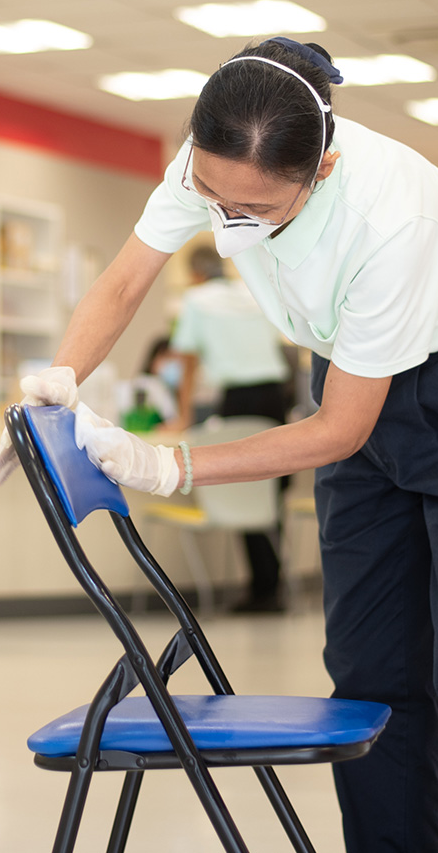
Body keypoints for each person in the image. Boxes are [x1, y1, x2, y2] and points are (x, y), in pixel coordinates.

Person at [0, 37, 438, 853]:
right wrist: (56, 381)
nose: (224, 218)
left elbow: (339, 429)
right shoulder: (212, 164)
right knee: (370, 671)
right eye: (210, 193)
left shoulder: (395, 212)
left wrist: (170, 465)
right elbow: (126, 278)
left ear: (319, 171)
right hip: (349, 376)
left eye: (254, 208)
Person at [171, 243, 292, 612]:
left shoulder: (196, 300)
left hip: (238, 399)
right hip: (275, 396)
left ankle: (263, 589)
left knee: (245, 486)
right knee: (270, 492)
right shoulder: (252, 292)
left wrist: (183, 415)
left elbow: (188, 363)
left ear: (195, 272)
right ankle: (270, 584)